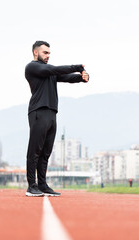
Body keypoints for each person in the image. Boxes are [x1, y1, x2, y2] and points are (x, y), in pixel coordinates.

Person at [25, 41, 89, 197]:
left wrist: (82, 78)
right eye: (45, 52)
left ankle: (42, 185)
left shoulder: (49, 71)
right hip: (38, 111)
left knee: (46, 152)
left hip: (52, 113)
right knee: (35, 151)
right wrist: (77, 67)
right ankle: (31, 186)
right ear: (35, 52)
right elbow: (54, 69)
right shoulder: (33, 67)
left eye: (49, 53)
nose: (47, 55)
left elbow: (66, 77)